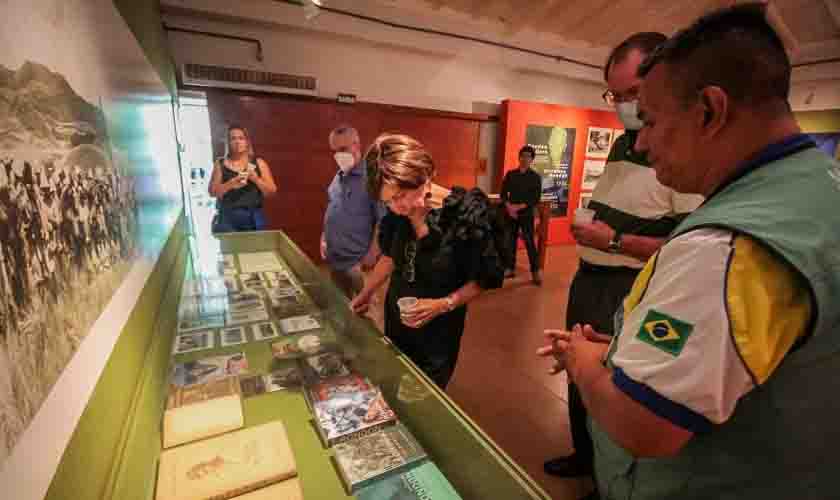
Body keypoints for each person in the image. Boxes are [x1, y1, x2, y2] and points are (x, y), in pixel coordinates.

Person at [538, 4, 840, 499]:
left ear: (709, 111)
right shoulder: (817, 187)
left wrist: (584, 361)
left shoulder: (724, 248)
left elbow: (646, 425)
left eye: (652, 119)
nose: (645, 139)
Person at [543, 32, 704, 484]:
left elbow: (686, 246)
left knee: (619, 382)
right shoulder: (621, 144)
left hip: (630, 287)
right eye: (615, 95)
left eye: (633, 94)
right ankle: (584, 456)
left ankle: (607, 475)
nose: (625, 106)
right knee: (577, 364)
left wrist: (612, 240)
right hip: (589, 279)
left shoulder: (681, 154)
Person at [350, 134, 504, 388]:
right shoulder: (398, 216)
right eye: (387, 201)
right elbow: (390, 257)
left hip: (439, 326)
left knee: (426, 392)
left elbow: (483, 279)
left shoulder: (466, 214)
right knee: (396, 379)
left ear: (423, 174)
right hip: (398, 315)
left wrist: (443, 304)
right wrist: (366, 292)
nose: (395, 207)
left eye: (399, 195)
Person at [321, 125, 384, 298]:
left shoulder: (372, 178)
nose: (338, 155)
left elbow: (383, 220)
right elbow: (332, 209)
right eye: (334, 151)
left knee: (365, 314)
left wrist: (372, 254)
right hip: (335, 260)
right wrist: (324, 238)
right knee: (340, 308)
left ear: (357, 145)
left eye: (342, 149)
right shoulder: (338, 176)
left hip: (358, 264)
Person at [208, 125, 277, 232]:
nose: (237, 142)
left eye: (241, 138)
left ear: (247, 142)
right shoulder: (220, 163)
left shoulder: (259, 163)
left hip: (253, 217)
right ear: (228, 143)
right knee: (230, 248)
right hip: (227, 218)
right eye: (233, 138)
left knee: (254, 247)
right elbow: (212, 192)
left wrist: (256, 179)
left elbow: (271, 192)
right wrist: (231, 183)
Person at [500, 145, 543, 285]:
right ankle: (510, 268)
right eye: (523, 156)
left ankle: (535, 272)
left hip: (525, 214)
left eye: (528, 156)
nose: (525, 159)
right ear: (519, 157)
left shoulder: (535, 177)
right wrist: (509, 206)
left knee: (530, 242)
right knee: (510, 241)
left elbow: (535, 198)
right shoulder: (511, 174)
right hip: (511, 213)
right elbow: (503, 193)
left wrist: (518, 207)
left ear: (532, 159)